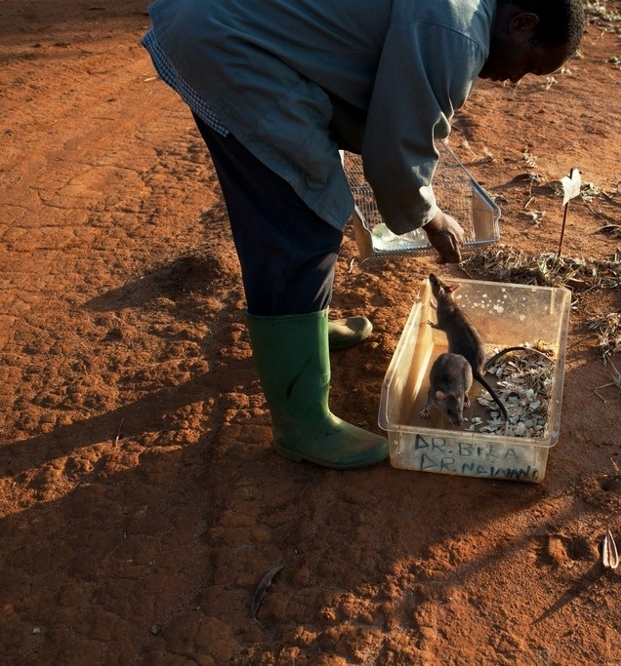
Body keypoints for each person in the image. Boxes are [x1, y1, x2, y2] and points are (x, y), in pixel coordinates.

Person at [141, 0, 586, 469]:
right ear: (521, 24)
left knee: (304, 197)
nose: (516, 80)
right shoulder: (457, 33)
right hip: (228, 46)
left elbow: (382, 106)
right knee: (298, 219)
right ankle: (302, 423)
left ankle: (305, 329)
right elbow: (397, 151)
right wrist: (432, 218)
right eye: (530, 66)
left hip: (216, 24)